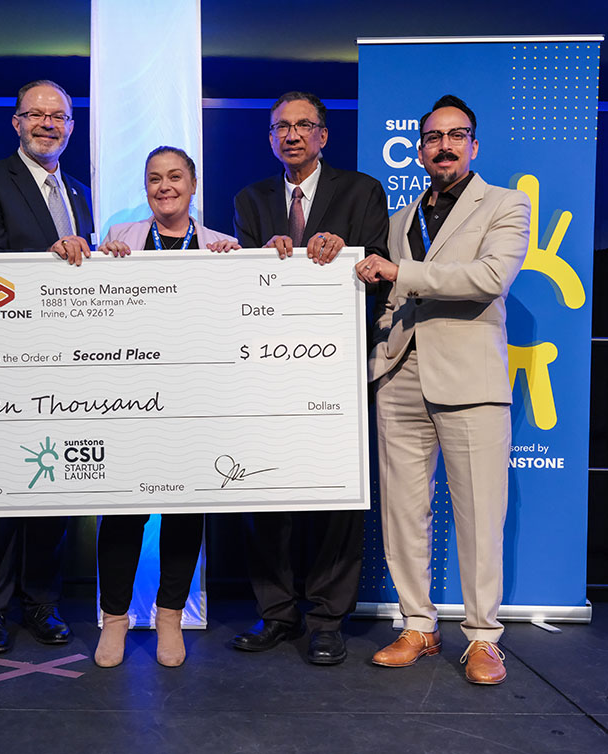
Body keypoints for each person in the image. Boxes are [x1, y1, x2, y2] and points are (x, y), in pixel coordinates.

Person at [355, 95, 530, 685]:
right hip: (401, 376)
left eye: (456, 136)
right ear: (421, 148)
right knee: (404, 512)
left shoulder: (506, 205)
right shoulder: (403, 218)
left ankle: (483, 637)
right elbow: (395, 298)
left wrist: (397, 271)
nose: (444, 146)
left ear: (474, 145)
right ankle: (417, 626)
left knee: (480, 514)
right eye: (433, 137)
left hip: (471, 382)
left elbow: (487, 279)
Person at [230, 91, 389, 665]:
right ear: (271, 138)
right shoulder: (251, 199)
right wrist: (258, 255)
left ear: (324, 135)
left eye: (304, 126)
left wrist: (350, 249)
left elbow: (380, 272)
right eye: (281, 127)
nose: (292, 135)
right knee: (266, 494)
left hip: (338, 373)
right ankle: (276, 613)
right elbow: (240, 284)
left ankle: (326, 619)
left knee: (336, 497)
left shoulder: (362, 190)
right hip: (267, 372)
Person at [0, 80, 94, 654]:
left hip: (64, 364)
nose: (47, 124)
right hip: (2, 360)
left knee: (51, 487)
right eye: (35, 115)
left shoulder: (81, 192)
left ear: (71, 125)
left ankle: (41, 600)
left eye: (58, 116)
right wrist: (48, 258)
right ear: (15, 123)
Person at [93, 145, 239, 668]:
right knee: (123, 512)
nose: (165, 186)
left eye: (175, 176)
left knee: (184, 509)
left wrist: (234, 274)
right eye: (155, 178)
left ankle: (170, 617)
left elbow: (236, 322)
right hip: (130, 396)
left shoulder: (223, 245)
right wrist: (95, 268)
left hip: (195, 399)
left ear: (194, 185)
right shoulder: (119, 242)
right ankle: (114, 620)